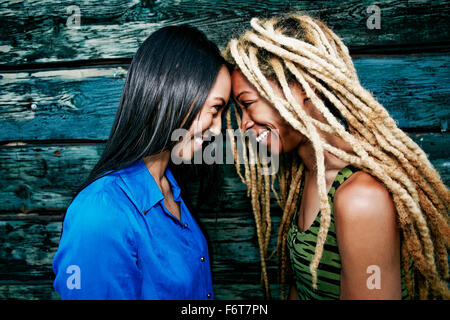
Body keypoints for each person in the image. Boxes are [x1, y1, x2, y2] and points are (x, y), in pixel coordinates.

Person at [224, 14, 449, 300]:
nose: (243, 124)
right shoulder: (309, 175)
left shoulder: (361, 198)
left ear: (305, 88)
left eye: (248, 104)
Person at [52, 25, 231, 299]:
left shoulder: (171, 187)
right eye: (215, 109)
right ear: (171, 93)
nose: (218, 129)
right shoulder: (100, 213)